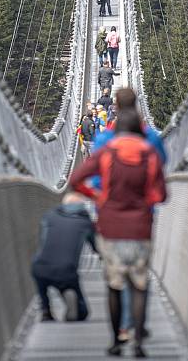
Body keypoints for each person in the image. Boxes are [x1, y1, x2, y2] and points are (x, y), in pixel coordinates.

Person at [70, 109, 167, 357]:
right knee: (139, 284)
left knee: (114, 285)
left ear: (116, 130)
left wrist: (98, 197)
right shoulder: (150, 154)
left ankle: (115, 342)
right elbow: (161, 194)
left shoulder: (106, 152)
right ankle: (138, 343)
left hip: (111, 227)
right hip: (140, 228)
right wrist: (145, 201)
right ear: (139, 130)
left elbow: (76, 180)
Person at [31, 192, 96, 322]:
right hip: (67, 270)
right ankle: (68, 292)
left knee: (41, 274)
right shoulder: (85, 222)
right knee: (83, 313)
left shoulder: (49, 216)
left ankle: (45, 310)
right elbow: (95, 245)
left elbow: (43, 239)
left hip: (40, 267)